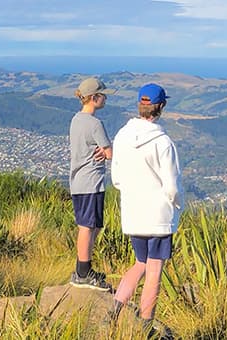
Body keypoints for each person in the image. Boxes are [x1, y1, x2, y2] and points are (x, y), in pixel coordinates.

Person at [110, 83, 183, 326]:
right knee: (154, 270)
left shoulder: (121, 136)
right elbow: (172, 186)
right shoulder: (163, 143)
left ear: (140, 106)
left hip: (133, 214)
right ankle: (146, 324)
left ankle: (114, 310)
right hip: (159, 217)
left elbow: (116, 179)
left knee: (140, 263)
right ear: (161, 106)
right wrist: (176, 205)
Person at [68, 77, 115, 291]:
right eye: (102, 95)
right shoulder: (95, 124)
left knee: (91, 226)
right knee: (88, 227)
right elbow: (109, 153)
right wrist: (106, 151)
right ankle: (83, 273)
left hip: (78, 181)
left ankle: (82, 268)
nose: (105, 98)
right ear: (94, 98)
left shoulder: (76, 120)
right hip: (91, 182)